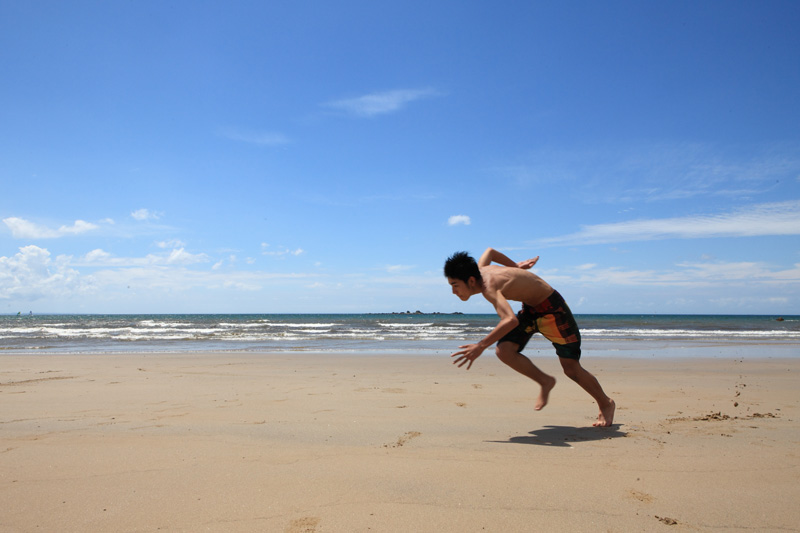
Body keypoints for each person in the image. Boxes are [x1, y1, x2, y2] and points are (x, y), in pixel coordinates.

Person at [444, 247, 615, 427]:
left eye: (455, 285)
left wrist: (480, 346)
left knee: (571, 369)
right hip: (531, 309)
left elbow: (510, 320)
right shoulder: (479, 269)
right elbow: (490, 252)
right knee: (504, 351)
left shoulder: (489, 287)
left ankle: (606, 403)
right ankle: (545, 381)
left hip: (553, 310)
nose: (454, 292)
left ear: (471, 281)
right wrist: (516, 266)